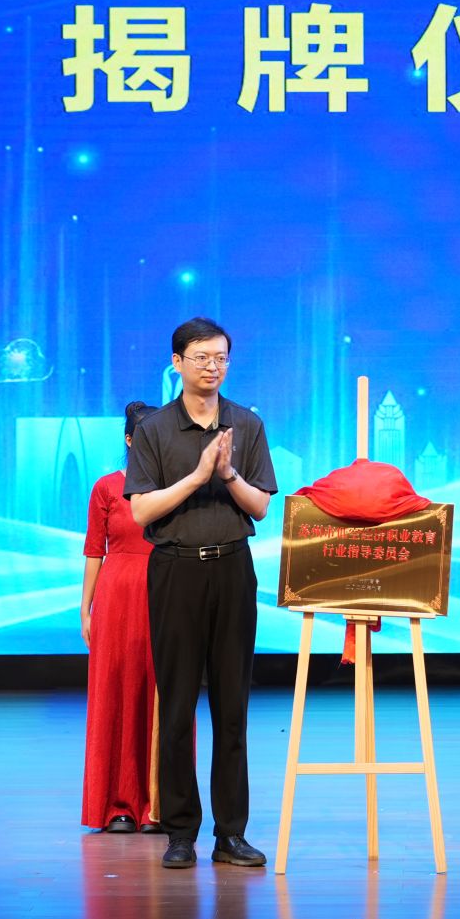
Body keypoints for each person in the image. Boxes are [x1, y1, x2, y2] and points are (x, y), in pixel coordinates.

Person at [124, 317, 278, 870]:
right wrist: (196, 476)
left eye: (221, 357)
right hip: (175, 571)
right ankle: (180, 833)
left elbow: (261, 506)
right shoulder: (154, 429)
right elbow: (141, 510)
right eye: (201, 357)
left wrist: (228, 473)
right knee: (178, 706)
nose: (213, 367)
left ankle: (230, 833)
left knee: (232, 707)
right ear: (177, 363)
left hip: (232, 568)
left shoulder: (246, 423)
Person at [79, 401, 166, 834]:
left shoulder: (176, 487)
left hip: (166, 591)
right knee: (116, 693)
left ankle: (158, 804)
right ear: (129, 440)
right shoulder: (107, 488)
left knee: (164, 694)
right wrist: (86, 608)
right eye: (145, 436)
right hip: (116, 597)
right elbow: (95, 551)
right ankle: (118, 806)